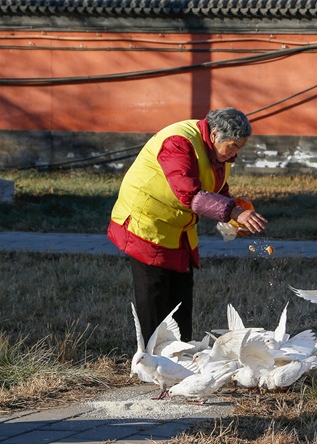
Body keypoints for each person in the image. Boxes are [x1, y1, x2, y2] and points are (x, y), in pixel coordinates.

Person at [108, 107, 267, 343]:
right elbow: (189, 194)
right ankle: (151, 357)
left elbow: (216, 187)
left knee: (181, 295)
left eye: (239, 148)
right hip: (146, 223)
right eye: (233, 146)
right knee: (154, 297)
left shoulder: (220, 153)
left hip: (179, 229)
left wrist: (234, 216)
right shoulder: (178, 142)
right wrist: (232, 211)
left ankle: (181, 353)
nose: (235, 153)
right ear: (215, 134)